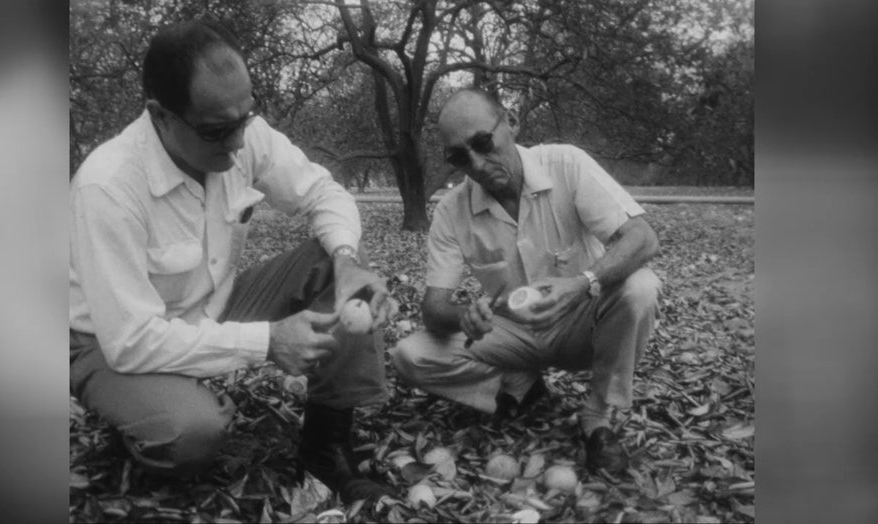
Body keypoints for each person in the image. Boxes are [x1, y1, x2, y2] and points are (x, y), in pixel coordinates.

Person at [69, 18, 393, 502]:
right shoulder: (109, 186)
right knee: (190, 435)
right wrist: (266, 342)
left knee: (337, 259)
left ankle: (327, 445)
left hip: (208, 306)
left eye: (245, 117)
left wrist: (347, 259)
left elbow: (325, 193)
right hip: (107, 338)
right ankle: (140, 413)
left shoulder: (243, 135)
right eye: (218, 130)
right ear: (160, 115)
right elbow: (131, 340)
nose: (238, 141)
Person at [390, 88, 662, 474]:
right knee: (410, 355)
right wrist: (467, 315)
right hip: (512, 335)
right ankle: (520, 385)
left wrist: (583, 283)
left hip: (584, 324)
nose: (478, 163)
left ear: (511, 122)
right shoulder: (452, 211)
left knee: (641, 288)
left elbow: (642, 238)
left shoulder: (566, 164)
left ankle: (596, 418)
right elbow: (434, 308)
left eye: (483, 143)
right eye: (459, 157)